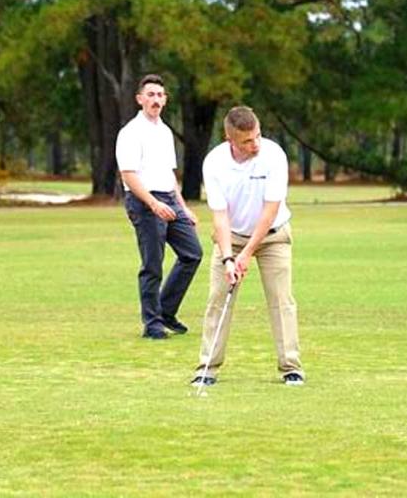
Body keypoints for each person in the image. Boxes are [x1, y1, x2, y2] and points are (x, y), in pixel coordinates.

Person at [191, 106, 305, 386]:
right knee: (218, 299)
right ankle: (207, 368)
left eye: (257, 136)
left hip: (272, 235)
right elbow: (219, 215)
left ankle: (291, 367)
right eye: (247, 141)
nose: (255, 144)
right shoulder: (214, 162)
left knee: (282, 300)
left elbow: (270, 210)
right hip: (231, 237)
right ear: (230, 139)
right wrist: (229, 259)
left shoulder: (273, 155)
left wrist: (247, 253)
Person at [116, 74, 203, 339]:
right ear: (140, 99)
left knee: (192, 253)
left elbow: (169, 174)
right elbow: (128, 174)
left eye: (160, 95)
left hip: (168, 198)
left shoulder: (165, 131)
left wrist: (182, 207)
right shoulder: (131, 132)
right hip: (144, 202)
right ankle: (152, 324)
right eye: (151, 95)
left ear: (165, 100)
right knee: (153, 264)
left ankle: (166, 310)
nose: (156, 100)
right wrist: (153, 204)